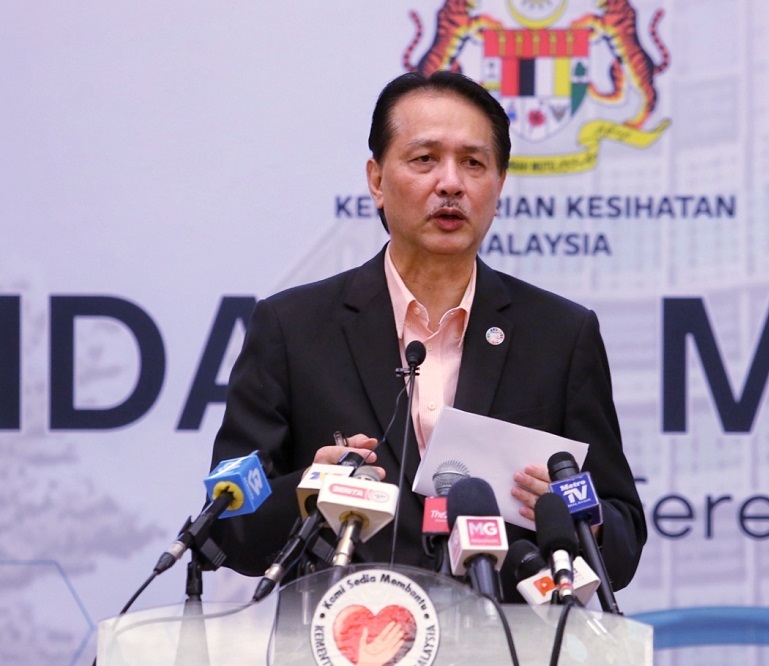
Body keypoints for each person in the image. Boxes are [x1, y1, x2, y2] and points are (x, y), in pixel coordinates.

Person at [209, 71, 646, 594]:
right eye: (424, 159)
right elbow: (229, 530)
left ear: (499, 187)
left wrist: (576, 513)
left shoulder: (560, 334)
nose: (451, 183)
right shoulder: (292, 327)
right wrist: (308, 490)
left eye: (473, 163)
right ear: (376, 180)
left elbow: (621, 546)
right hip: (343, 640)